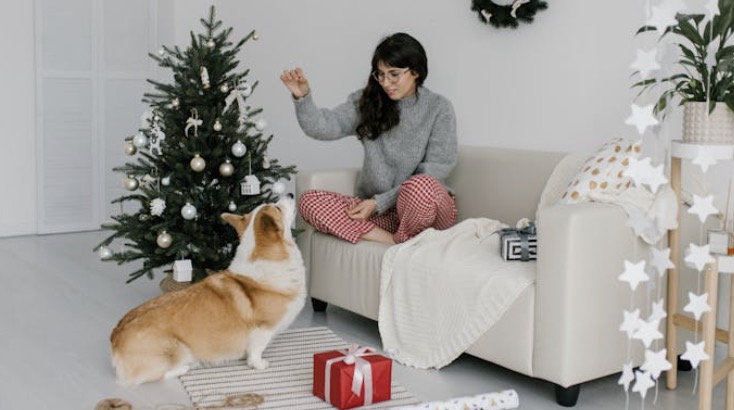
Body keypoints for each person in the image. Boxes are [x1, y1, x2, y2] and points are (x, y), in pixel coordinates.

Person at [280, 32, 458, 245]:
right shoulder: (367, 102)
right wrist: (302, 98)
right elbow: (324, 127)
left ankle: (407, 238)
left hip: (427, 210)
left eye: (394, 74)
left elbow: (435, 170)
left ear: (416, 71)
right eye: (380, 74)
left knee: (419, 186)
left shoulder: (439, 108)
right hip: (383, 216)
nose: (386, 82)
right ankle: (398, 242)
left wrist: (379, 202)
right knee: (309, 201)